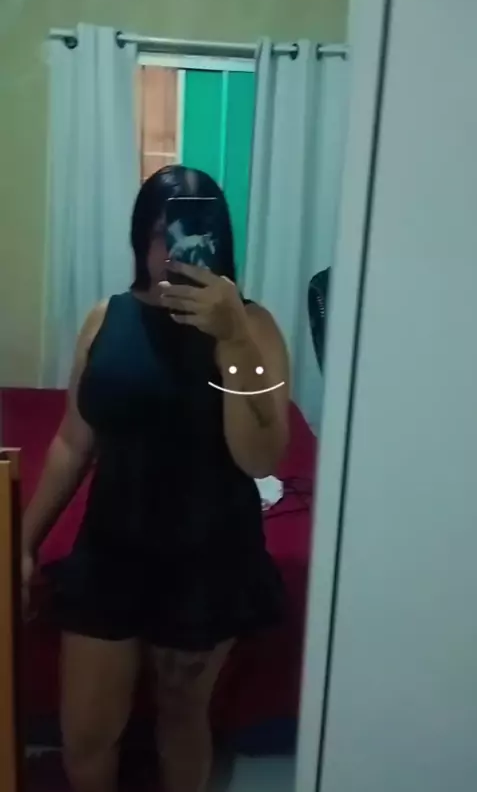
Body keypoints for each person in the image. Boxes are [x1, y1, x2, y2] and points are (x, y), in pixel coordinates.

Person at [21, 165, 290, 792]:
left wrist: (232, 339)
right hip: (111, 549)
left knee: (182, 719)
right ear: (140, 239)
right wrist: (23, 543)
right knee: (87, 734)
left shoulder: (254, 326)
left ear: (218, 243)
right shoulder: (104, 319)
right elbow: (72, 441)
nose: (171, 252)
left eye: (191, 235)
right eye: (160, 235)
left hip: (208, 558)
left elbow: (261, 456)